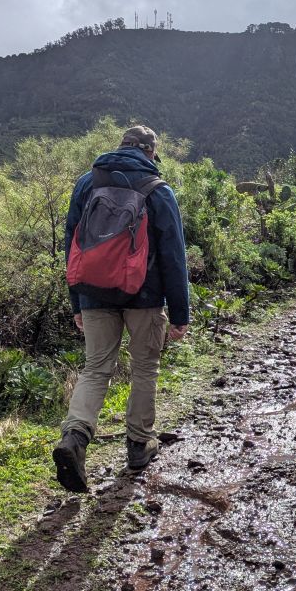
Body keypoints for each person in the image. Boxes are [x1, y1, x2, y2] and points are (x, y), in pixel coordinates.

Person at [53, 125, 190, 493]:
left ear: (121, 146)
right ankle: (139, 444)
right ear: (150, 152)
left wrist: (77, 301)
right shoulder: (158, 189)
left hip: (94, 293)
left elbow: (72, 244)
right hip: (145, 297)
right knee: (144, 367)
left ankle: (75, 437)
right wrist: (180, 314)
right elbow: (174, 256)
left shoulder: (87, 183)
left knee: (96, 368)